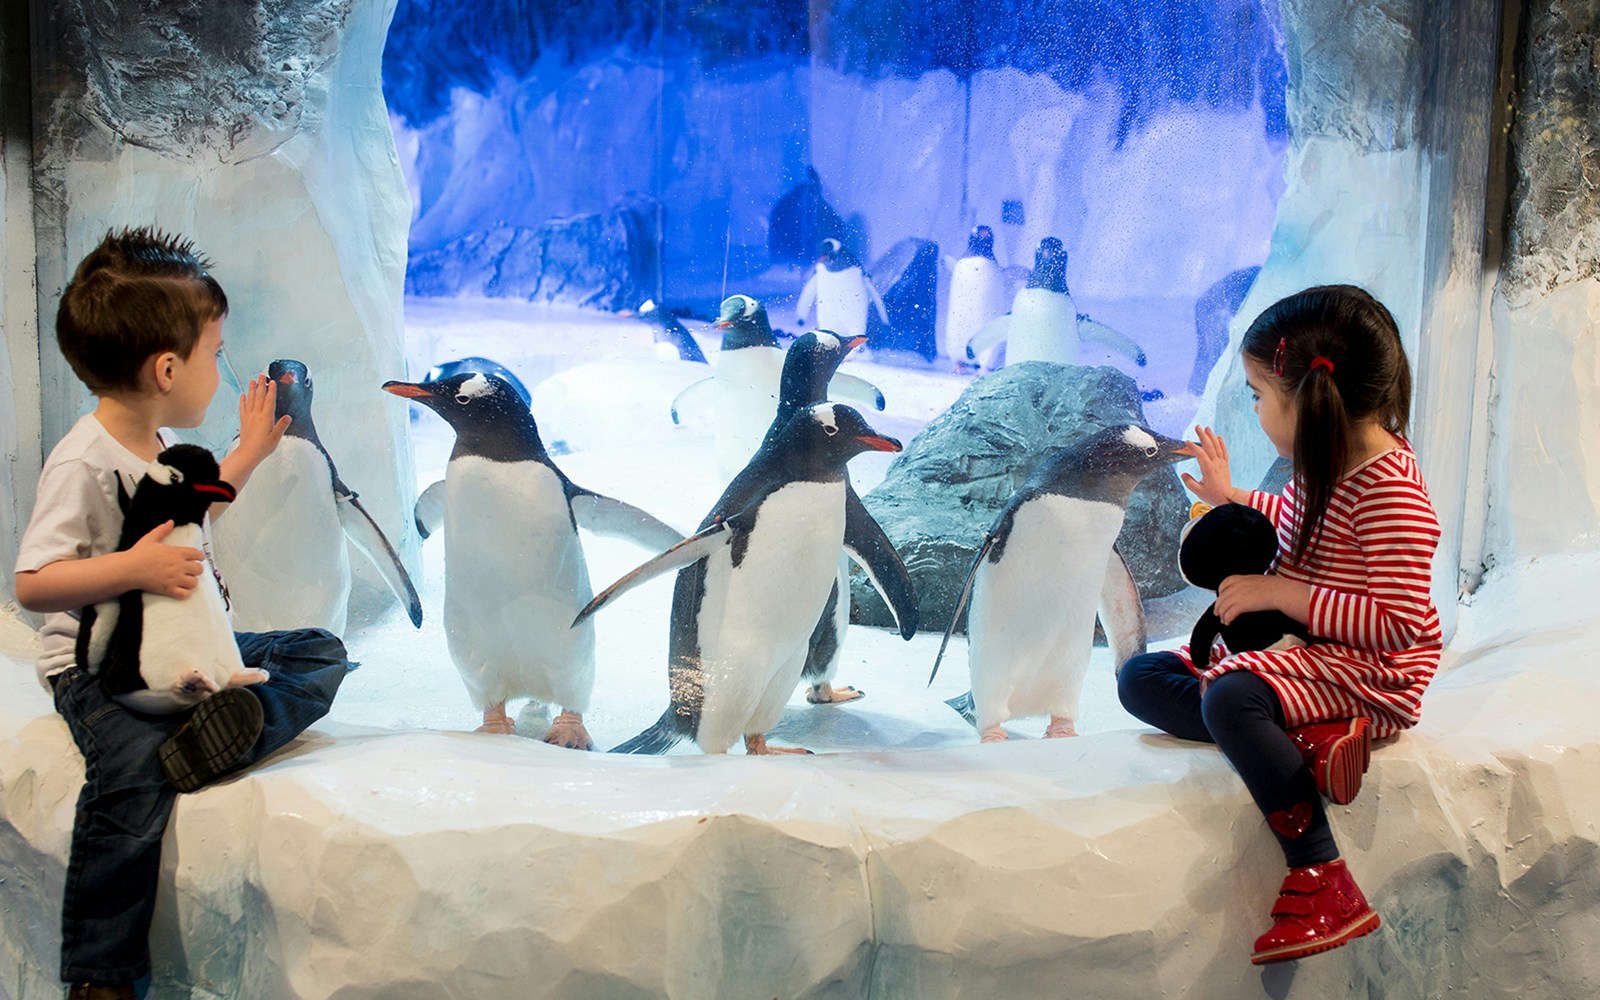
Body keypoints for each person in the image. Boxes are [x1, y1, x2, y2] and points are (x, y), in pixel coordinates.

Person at [14, 228, 353, 1000]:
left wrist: (250, 454)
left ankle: (213, 727)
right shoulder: (84, 461)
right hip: (105, 667)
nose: (221, 366)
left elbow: (191, 510)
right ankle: (101, 974)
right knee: (129, 779)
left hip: (194, 645)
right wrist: (133, 567)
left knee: (319, 651)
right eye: (214, 353)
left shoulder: (159, 438)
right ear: (167, 369)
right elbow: (34, 582)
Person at [1117, 285, 1442, 965]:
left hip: (1374, 673)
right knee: (1141, 679)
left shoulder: (1391, 491)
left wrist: (1284, 593)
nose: (1256, 409)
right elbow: (1293, 523)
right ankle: (1311, 745)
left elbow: (1398, 623)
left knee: (1231, 696)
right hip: (1319, 656)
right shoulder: (1330, 462)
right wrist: (1231, 496)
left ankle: (1322, 873)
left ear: (1306, 399)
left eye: (1259, 395)